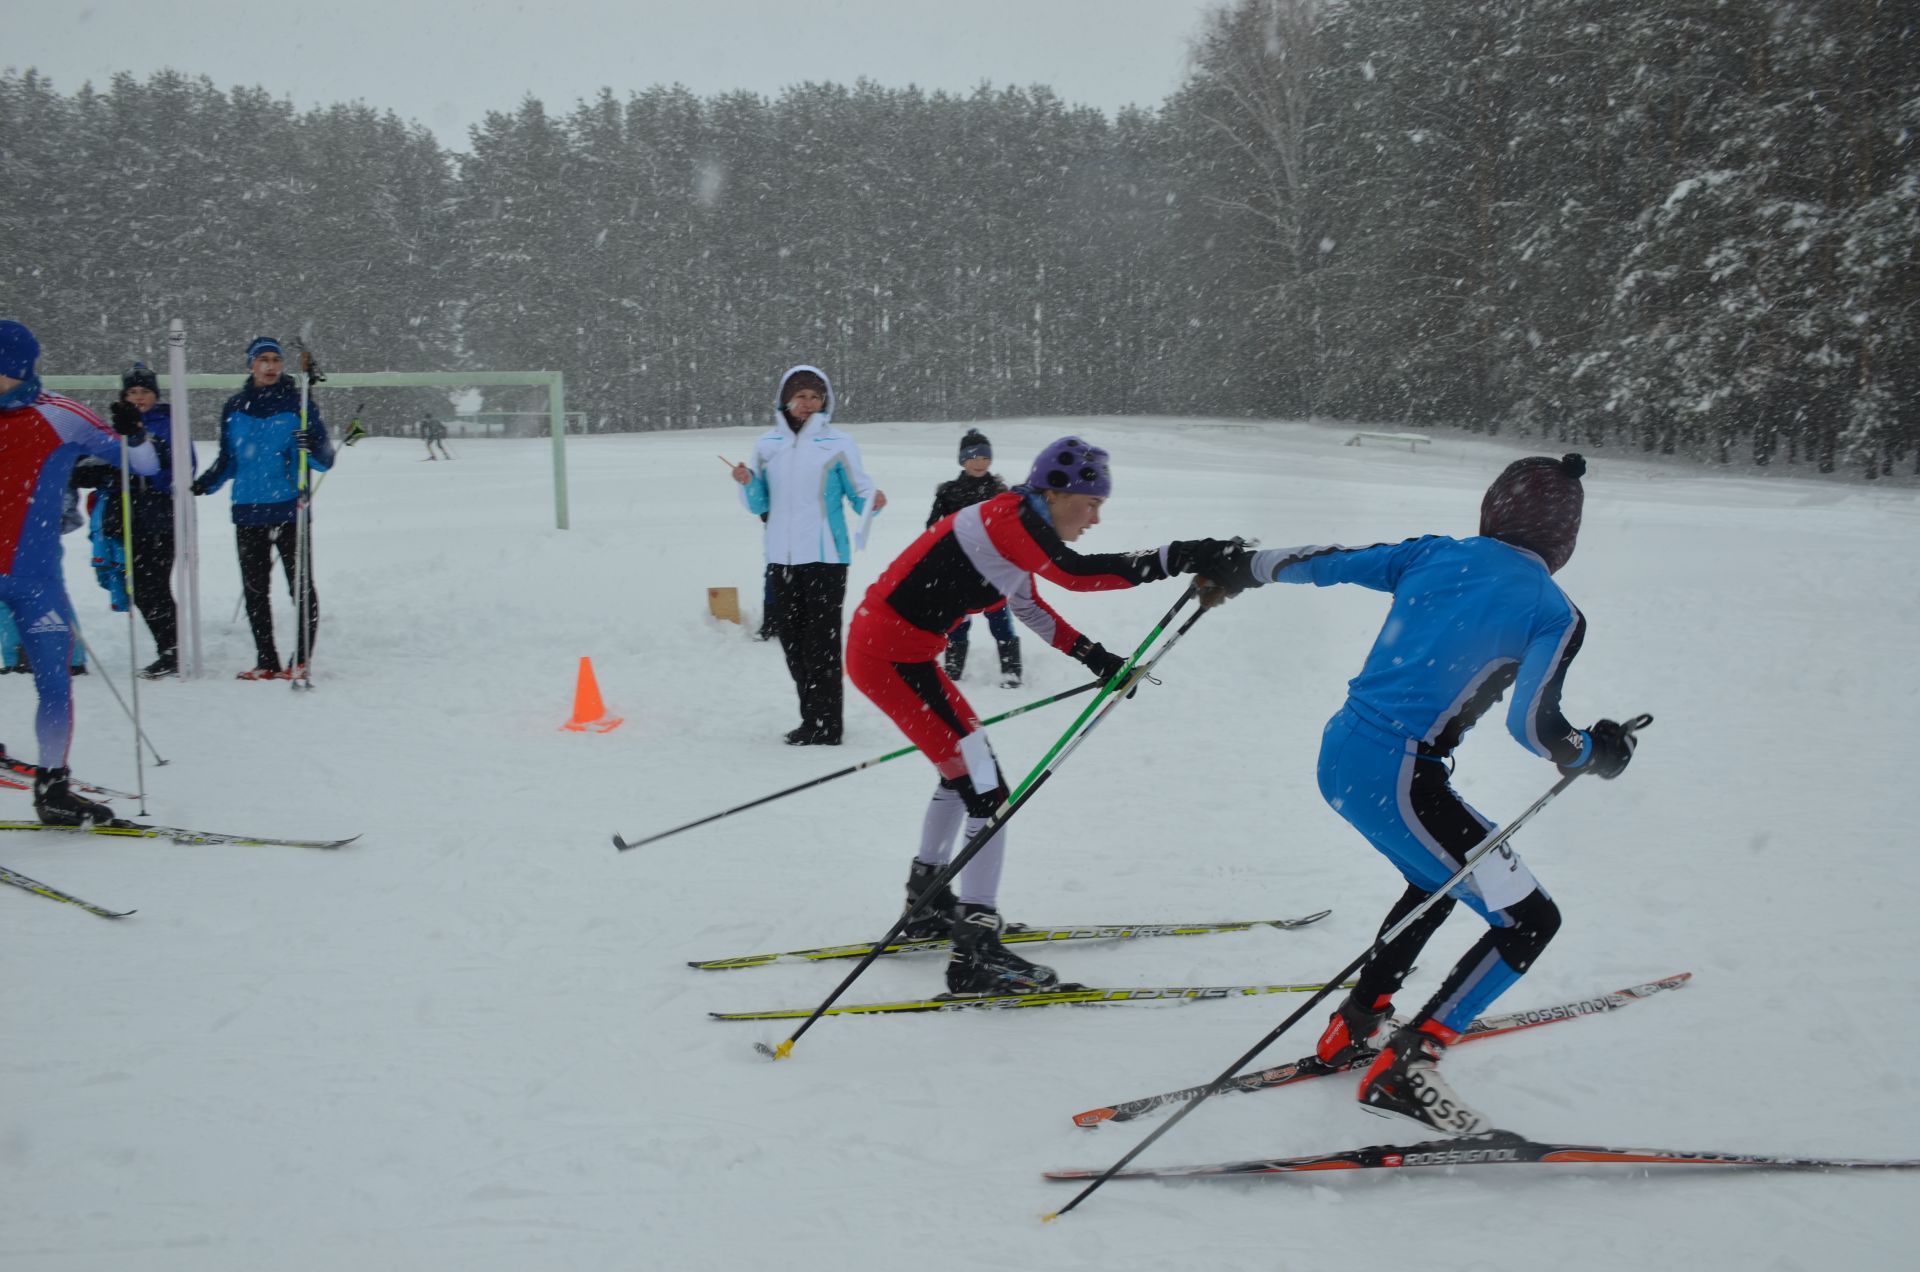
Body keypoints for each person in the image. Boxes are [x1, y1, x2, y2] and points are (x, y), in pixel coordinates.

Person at [1205, 453, 1639, 1137]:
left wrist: (1248, 566)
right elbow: (1534, 729)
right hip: (1401, 776)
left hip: (1342, 755)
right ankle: (1410, 1060)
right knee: (1530, 920)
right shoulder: (1555, 610)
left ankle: (1355, 1027)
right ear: (1564, 541)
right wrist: (1596, 752)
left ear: (1493, 509)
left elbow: (1329, 561)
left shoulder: (1435, 553)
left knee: (1432, 880)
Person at [846, 436, 1245, 993]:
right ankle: (975, 948)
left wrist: (1095, 658)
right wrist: (1179, 556)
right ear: (1056, 493)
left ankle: (927, 902)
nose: (1096, 518)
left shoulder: (1016, 527)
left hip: (900, 653)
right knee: (988, 793)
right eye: (1092, 503)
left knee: (966, 775)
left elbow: (1028, 603)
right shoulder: (1010, 522)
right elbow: (1078, 575)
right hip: (890, 657)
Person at [0, 319, 157, 823]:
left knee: (54, 682)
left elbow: (146, 465)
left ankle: (53, 787)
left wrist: (135, 433)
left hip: (35, 578)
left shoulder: (61, 415)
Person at [729, 365, 885, 745]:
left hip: (826, 559)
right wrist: (748, 483)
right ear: (785, 399)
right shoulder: (767, 446)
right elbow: (760, 503)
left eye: (815, 397)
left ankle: (828, 725)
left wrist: (873, 503)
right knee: (792, 641)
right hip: (780, 559)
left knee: (823, 643)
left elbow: (859, 492)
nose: (807, 404)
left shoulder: (838, 444)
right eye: (800, 396)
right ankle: (809, 717)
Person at [190, 336, 334, 680]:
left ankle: (300, 659)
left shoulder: (297, 402)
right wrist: (203, 483)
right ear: (250, 365)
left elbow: (324, 460)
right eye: (263, 360)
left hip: (288, 507)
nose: (270, 366)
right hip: (247, 510)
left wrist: (310, 443)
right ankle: (266, 660)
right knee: (255, 590)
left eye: (275, 359)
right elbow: (229, 459)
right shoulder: (235, 407)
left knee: (299, 586)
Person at [68, 363, 190, 679]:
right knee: (139, 587)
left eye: (145, 391)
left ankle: (174, 649)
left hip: (160, 516)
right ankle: (169, 647)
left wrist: (141, 472)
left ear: (155, 394)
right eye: (133, 392)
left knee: (155, 586)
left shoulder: (169, 424)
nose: (139, 398)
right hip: (127, 518)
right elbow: (95, 462)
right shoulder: (115, 428)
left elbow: (178, 468)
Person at [926, 429, 1022, 687]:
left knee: (1000, 619)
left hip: (992, 569)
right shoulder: (948, 492)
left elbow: (1013, 527)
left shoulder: (1000, 491)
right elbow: (932, 530)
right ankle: (954, 670)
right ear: (962, 460)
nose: (979, 463)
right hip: (957, 570)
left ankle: (1011, 670)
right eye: (973, 457)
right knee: (957, 623)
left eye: (984, 457)